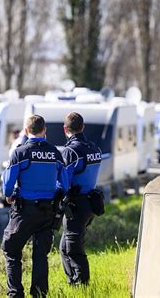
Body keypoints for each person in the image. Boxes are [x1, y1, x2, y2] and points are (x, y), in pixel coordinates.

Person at [1, 115, 69, 298]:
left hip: (24, 211)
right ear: (44, 130)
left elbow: (8, 186)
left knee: (11, 250)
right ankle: (39, 294)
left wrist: (9, 195)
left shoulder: (20, 152)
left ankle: (15, 294)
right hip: (48, 212)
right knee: (40, 256)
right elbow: (64, 184)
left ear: (25, 131)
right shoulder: (55, 153)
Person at [59, 112, 102, 286]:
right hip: (91, 203)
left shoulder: (71, 151)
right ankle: (73, 283)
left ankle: (82, 286)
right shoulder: (94, 148)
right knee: (64, 247)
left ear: (65, 129)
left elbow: (63, 182)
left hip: (76, 205)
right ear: (83, 127)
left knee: (73, 248)